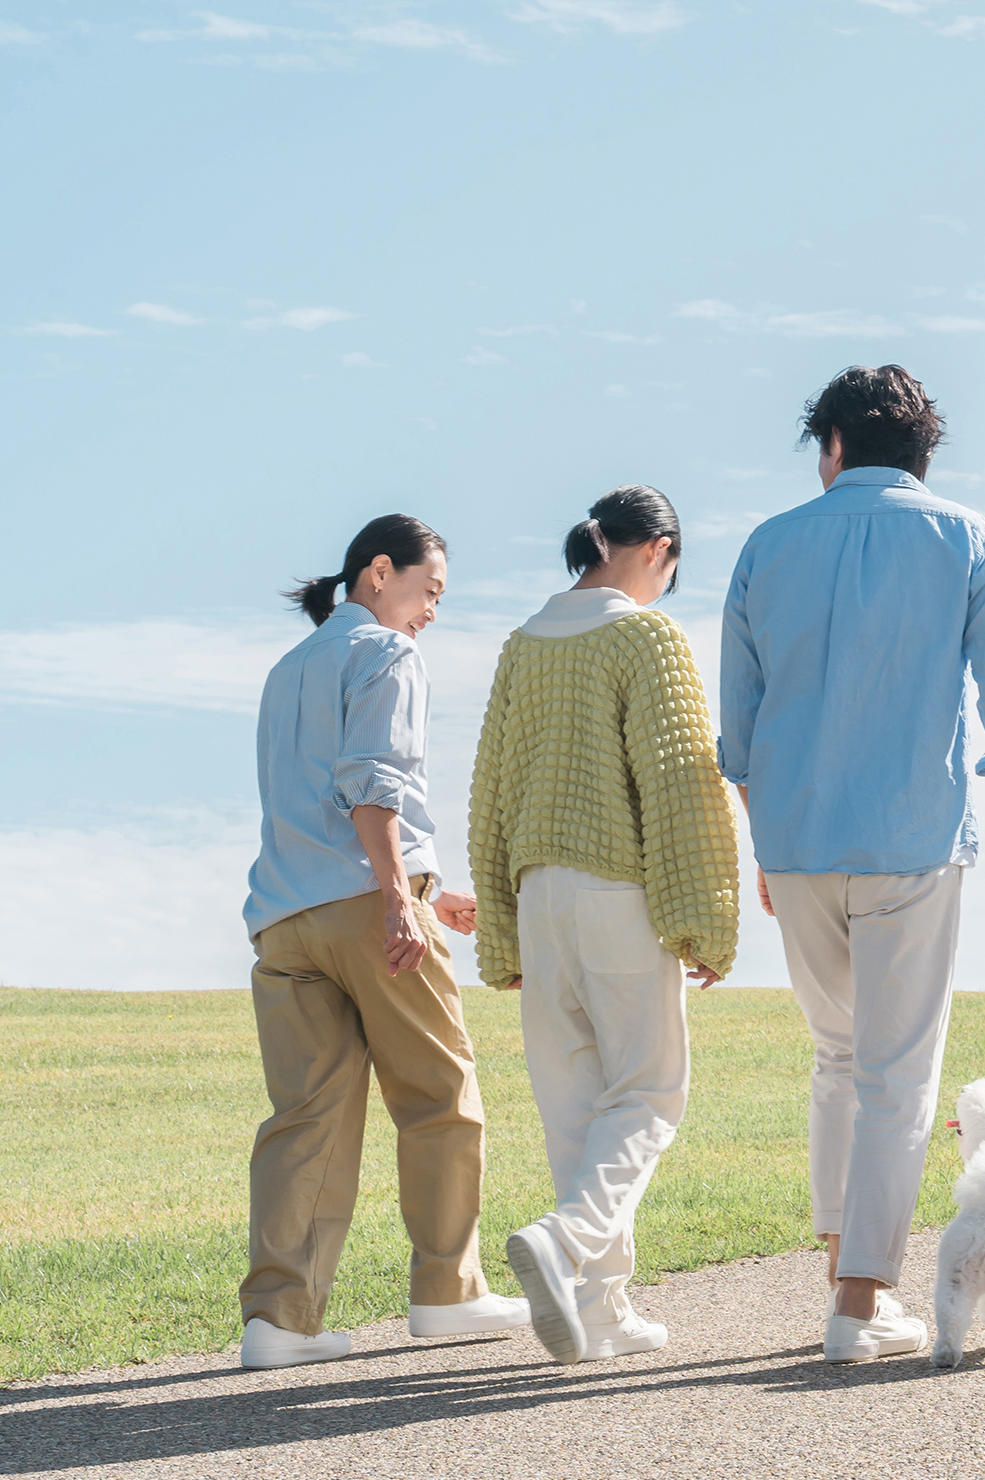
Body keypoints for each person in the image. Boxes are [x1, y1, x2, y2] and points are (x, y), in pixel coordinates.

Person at [720, 364, 985, 1364]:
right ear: (924, 451)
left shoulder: (767, 546)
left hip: (798, 840)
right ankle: (858, 1308)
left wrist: (766, 838)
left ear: (831, 446)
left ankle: (846, 1289)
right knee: (896, 1078)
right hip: (911, 840)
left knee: (836, 1059)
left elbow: (739, 724)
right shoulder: (967, 539)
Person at [237, 514, 529, 1371]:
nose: (431, 611)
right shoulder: (387, 655)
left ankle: (280, 1320)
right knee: (440, 1094)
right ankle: (449, 1291)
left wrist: (432, 895)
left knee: (306, 1120)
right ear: (377, 573)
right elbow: (373, 783)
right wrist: (403, 896)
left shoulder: (288, 668)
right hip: (370, 907)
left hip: (286, 919)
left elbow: (319, 805)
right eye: (428, 589)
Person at [468, 487, 740, 1366]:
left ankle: (599, 1309)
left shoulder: (520, 645)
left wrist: (501, 930)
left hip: (538, 895)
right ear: (657, 549)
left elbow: (490, 796)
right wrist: (706, 919)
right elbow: (680, 782)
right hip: (618, 892)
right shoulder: (645, 635)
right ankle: (569, 1238)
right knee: (651, 1091)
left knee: (574, 1106)